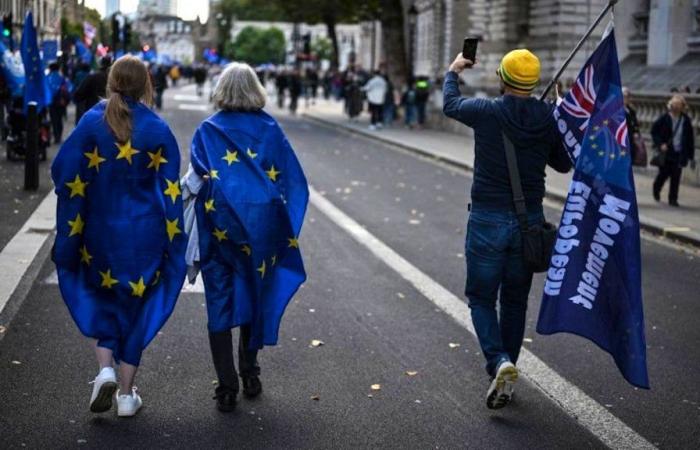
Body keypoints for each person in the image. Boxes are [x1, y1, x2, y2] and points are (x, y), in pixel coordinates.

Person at [50, 55, 187, 417]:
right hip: (145, 234)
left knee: (103, 296)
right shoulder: (157, 129)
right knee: (136, 308)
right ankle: (126, 396)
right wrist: (177, 242)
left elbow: (61, 169)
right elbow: (171, 188)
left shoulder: (92, 122)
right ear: (147, 85)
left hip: (100, 231)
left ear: (111, 82)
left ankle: (104, 369)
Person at [443, 50, 571, 409]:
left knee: (481, 297)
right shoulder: (547, 117)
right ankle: (508, 368)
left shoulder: (488, 112)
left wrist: (454, 70)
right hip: (528, 222)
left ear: (502, 78)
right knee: (514, 301)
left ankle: (499, 361)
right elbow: (563, 163)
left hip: (487, 219)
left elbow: (451, 104)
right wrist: (559, 119)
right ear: (532, 83)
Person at [182, 62, 308, 412]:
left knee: (219, 300)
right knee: (255, 293)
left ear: (221, 90)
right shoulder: (269, 128)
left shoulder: (208, 129)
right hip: (262, 230)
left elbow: (197, 175)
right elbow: (290, 179)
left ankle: (226, 386)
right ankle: (250, 371)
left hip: (218, 226)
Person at [651, 94, 695, 207]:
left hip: (679, 153)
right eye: (674, 104)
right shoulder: (664, 118)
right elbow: (654, 131)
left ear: (682, 107)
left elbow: (690, 139)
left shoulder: (686, 120)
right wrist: (660, 144)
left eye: (678, 105)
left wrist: (691, 156)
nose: (676, 107)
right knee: (663, 174)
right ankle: (656, 188)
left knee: (676, 176)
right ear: (670, 105)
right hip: (666, 152)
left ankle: (673, 199)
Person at [73, 56, 111, 125]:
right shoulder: (115, 78)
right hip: (111, 115)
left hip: (93, 112)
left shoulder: (92, 77)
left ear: (101, 64)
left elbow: (78, 94)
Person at [46, 62, 70, 144]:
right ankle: (59, 136)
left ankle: (56, 136)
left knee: (54, 119)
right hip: (60, 101)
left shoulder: (48, 77)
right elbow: (67, 89)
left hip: (51, 101)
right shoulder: (62, 77)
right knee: (59, 119)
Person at [622, 87, 645, 167]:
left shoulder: (631, 110)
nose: (626, 98)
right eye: (624, 96)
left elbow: (634, 123)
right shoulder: (618, 110)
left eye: (628, 96)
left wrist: (636, 130)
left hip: (631, 138)